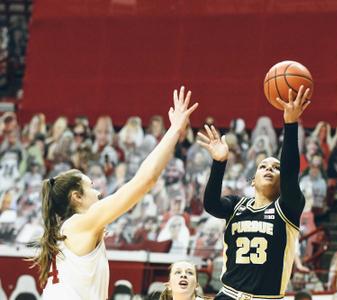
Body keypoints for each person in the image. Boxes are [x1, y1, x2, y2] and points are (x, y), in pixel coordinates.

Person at [32, 86, 198, 299]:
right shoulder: (78, 224)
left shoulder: (68, 230)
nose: (98, 191)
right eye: (90, 186)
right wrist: (174, 130)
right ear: (76, 197)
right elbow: (145, 181)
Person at [199, 86, 310, 299]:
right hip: (228, 294)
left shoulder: (288, 208)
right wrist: (219, 162)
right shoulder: (236, 205)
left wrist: (290, 123)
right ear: (252, 181)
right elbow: (211, 204)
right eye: (263, 166)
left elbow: (290, 173)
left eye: (275, 168)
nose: (269, 168)